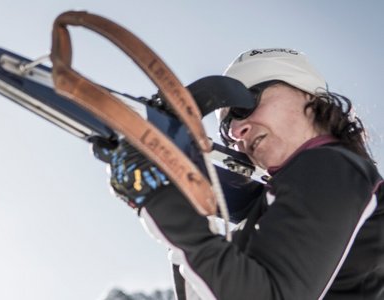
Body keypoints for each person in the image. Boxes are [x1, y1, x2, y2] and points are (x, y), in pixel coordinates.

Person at [100, 48, 383, 299]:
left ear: (306, 92)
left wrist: (160, 199)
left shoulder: (330, 167)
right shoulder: (336, 183)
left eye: (246, 104)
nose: (236, 133)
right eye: (226, 130)